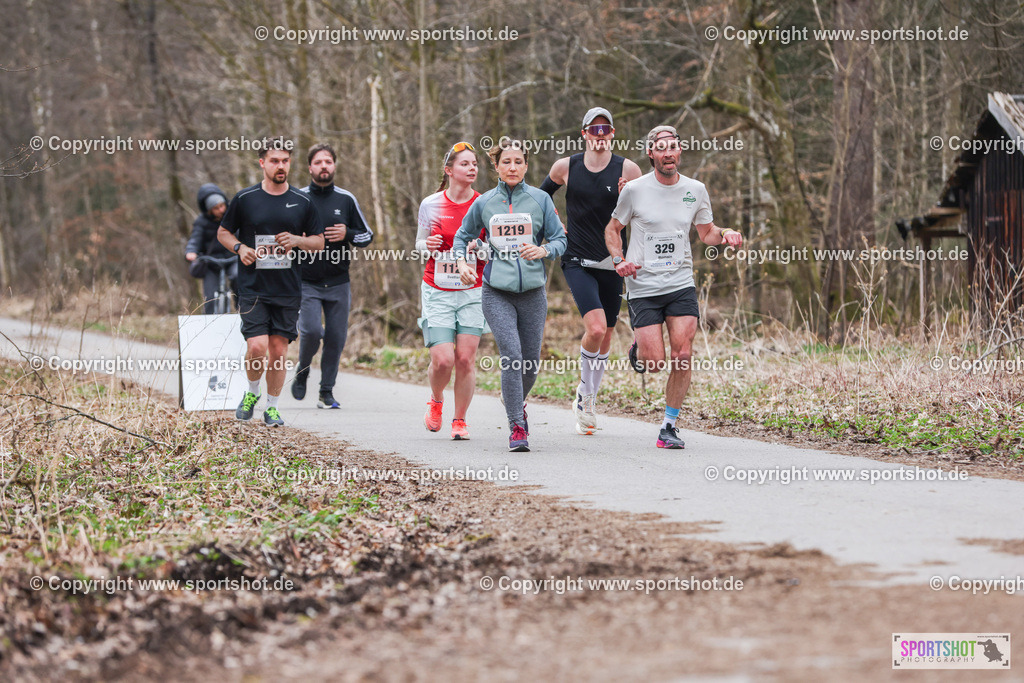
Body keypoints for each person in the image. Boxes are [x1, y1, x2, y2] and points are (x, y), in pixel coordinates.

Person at [604, 125, 742, 449]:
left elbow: (707, 232)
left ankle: (669, 426)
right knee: (655, 362)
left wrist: (726, 234)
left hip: (680, 283)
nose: (668, 153)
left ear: (680, 150)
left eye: (673, 146)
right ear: (651, 153)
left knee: (683, 354)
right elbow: (613, 229)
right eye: (660, 147)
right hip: (643, 286)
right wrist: (618, 260)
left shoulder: (696, 189)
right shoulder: (635, 190)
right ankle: (640, 348)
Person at [452, 138, 566, 452]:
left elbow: (559, 240)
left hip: (532, 293)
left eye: (518, 161)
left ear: (526, 165)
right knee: (512, 358)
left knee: (530, 365)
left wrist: (543, 249)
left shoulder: (541, 200)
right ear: (497, 167)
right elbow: (462, 237)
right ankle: (517, 426)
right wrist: (462, 261)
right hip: (496, 292)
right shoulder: (485, 202)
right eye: (506, 162)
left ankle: (514, 399)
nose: (512, 167)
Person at [541, 107, 642, 435]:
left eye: (605, 130)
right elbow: (540, 198)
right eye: (593, 130)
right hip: (577, 259)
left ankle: (588, 398)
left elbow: (646, 213)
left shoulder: (628, 168)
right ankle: (584, 397)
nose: (600, 136)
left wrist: (632, 194)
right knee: (596, 328)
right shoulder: (565, 167)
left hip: (613, 262)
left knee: (608, 333)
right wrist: (555, 223)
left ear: (612, 133)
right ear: (584, 133)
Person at [217, 137, 325, 427]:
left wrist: (297, 240)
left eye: (285, 160)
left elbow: (319, 242)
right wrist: (240, 248)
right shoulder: (245, 198)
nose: (281, 166)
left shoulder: (303, 202)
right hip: (253, 287)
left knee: (278, 350)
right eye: (275, 160)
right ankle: (252, 393)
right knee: (257, 347)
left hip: (288, 288)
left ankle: (273, 407)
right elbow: (223, 232)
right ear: (262, 162)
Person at [290, 143, 374, 409]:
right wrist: (298, 240)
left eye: (328, 161)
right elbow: (283, 237)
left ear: (334, 166)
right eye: (318, 162)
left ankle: (326, 392)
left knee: (336, 338)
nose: (324, 166)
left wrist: (347, 234)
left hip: (339, 282)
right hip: (307, 281)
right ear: (309, 167)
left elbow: (367, 235)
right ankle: (303, 370)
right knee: (312, 331)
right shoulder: (297, 198)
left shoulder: (346, 199)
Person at [416, 141, 486, 440]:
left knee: (465, 359)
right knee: (443, 359)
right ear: (449, 170)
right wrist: (426, 245)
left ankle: (460, 420)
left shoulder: (484, 203)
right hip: (437, 288)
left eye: (474, 164)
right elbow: (419, 244)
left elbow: (495, 249)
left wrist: (479, 248)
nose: (472, 169)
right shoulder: (431, 204)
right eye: (465, 164)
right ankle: (436, 399)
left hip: (473, 290)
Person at [185, 183, 237, 314]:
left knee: (238, 278)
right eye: (216, 208)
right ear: (209, 211)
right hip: (211, 262)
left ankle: (242, 310)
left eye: (222, 205)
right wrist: (191, 251)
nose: (221, 210)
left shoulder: (234, 216)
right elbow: (195, 239)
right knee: (209, 296)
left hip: (233, 258)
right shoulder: (201, 222)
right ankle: (208, 322)